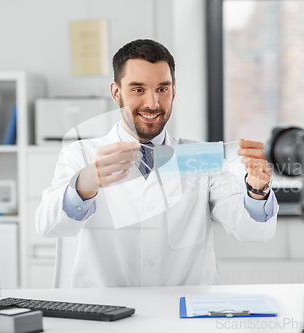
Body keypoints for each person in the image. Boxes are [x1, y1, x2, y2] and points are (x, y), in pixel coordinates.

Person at [36, 39, 279, 288]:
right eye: (138, 89)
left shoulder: (199, 156)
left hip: (182, 313)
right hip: (105, 314)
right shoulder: (80, 155)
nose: (152, 104)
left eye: (162, 89)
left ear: (174, 90)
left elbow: (251, 231)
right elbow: (48, 225)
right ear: (116, 92)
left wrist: (257, 189)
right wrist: (84, 185)